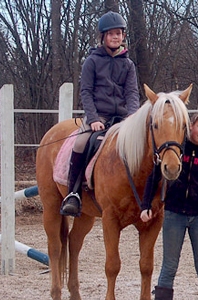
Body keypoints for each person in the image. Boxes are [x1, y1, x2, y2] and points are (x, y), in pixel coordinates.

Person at [60, 11, 140, 216]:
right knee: (81, 142)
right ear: (103, 37)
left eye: (119, 33)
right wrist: (93, 119)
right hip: (99, 114)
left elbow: (132, 92)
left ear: (123, 36)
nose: (115, 37)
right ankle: (74, 193)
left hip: (123, 116)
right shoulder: (92, 61)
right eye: (111, 34)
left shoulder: (128, 64)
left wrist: (133, 115)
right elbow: (86, 92)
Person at [142, 111, 198, 300]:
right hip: (174, 215)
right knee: (169, 265)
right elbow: (153, 178)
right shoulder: (174, 151)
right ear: (191, 126)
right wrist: (145, 205)